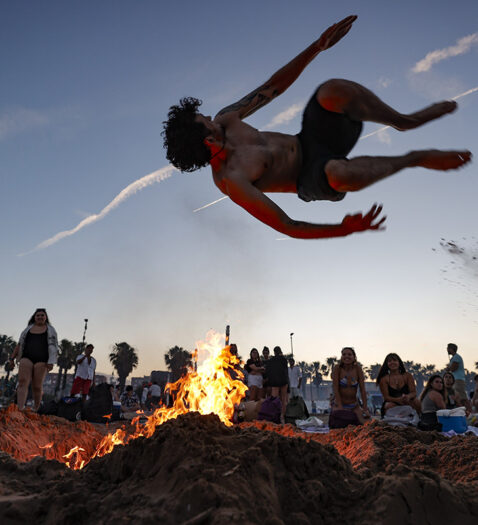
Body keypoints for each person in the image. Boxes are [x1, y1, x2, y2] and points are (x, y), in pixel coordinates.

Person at [162, 15, 471, 240]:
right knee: (340, 173)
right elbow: (287, 226)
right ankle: (416, 158)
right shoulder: (231, 181)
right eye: (205, 122)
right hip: (311, 177)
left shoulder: (226, 118)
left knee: (332, 90)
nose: (211, 118)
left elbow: (273, 87)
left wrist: (318, 46)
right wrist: (344, 229)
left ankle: (404, 122)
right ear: (206, 141)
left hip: (312, 138)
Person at [9, 308, 58, 411]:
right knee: (22, 382)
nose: (40, 317)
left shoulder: (51, 330)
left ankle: (36, 408)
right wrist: (12, 358)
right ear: (34, 317)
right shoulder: (27, 330)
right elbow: (19, 344)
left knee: (37, 386)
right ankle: (20, 408)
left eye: (42, 315)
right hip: (26, 358)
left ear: (46, 317)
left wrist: (51, 361)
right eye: (38, 315)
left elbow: (54, 346)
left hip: (42, 360)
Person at [331, 347, 370, 424]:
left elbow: (362, 390)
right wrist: (340, 407)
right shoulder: (337, 368)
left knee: (366, 424)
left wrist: (365, 408)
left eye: (349, 354)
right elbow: (335, 388)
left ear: (354, 357)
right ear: (341, 357)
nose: (347, 356)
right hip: (339, 404)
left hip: (354, 405)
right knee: (337, 426)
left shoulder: (358, 369)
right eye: (344, 354)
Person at [265, 346, 289, 422]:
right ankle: (283, 416)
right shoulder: (284, 360)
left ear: (274, 352)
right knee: (283, 399)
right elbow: (286, 371)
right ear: (280, 351)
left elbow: (268, 371)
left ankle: (274, 416)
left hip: (274, 382)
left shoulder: (271, 360)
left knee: (274, 400)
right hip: (283, 381)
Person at [445, 343, 471, 411]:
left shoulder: (456, 357)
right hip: (456, 380)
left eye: (448, 348)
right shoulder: (454, 357)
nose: (447, 349)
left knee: (463, 398)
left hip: (458, 380)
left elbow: (453, 368)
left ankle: (470, 412)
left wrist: (448, 368)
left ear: (451, 349)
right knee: (459, 398)